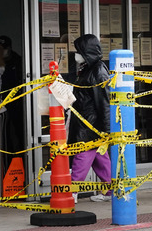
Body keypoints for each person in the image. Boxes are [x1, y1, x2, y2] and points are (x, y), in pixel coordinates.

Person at [67, 34, 112, 203]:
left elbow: (104, 100)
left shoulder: (98, 71)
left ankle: (72, 191)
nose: (76, 54)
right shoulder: (87, 68)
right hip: (87, 121)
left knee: (83, 154)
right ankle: (110, 190)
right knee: (100, 158)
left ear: (87, 52)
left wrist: (106, 128)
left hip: (90, 124)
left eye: (78, 51)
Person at [0, 35, 24, 154]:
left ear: (10, 48)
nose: (3, 51)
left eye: (5, 48)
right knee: (4, 133)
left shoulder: (18, 61)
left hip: (17, 101)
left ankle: (21, 156)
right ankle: (8, 156)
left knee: (19, 130)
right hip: (1, 102)